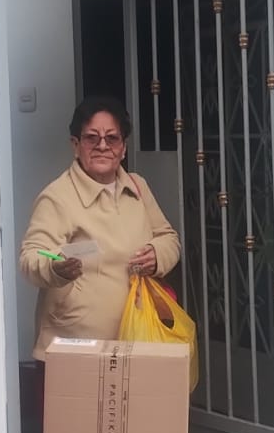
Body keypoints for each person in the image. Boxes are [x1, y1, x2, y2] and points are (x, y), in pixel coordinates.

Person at [19, 96, 181, 362]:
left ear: (123, 148)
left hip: (138, 339)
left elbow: (169, 238)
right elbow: (30, 256)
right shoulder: (57, 197)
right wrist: (55, 267)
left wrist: (156, 254)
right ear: (76, 145)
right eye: (92, 138)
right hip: (77, 348)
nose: (102, 146)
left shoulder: (137, 186)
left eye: (112, 138)